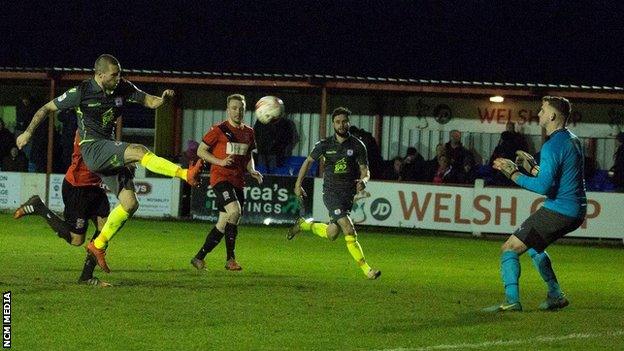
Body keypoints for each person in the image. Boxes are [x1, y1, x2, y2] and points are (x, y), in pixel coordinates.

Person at [15, 54, 203, 273]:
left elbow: (150, 101)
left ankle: (98, 245)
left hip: (107, 151)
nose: (118, 78)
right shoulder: (82, 92)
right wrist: (27, 133)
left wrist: (163, 100)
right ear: (100, 74)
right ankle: (185, 174)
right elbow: (46, 108)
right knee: (139, 151)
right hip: (93, 148)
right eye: (114, 75)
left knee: (130, 204)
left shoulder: (122, 87)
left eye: (120, 73)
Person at [484, 96, 586, 312]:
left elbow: (542, 188)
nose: (538, 114)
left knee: (509, 248)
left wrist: (513, 174)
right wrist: (532, 169)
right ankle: (555, 295)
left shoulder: (552, 145)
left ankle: (511, 301)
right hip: (575, 210)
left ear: (552, 115)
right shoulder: (572, 140)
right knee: (534, 248)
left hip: (559, 209)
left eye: (542, 110)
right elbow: (557, 180)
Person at [287, 107, 381, 280]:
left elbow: (365, 170)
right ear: (333, 124)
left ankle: (303, 224)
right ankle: (367, 270)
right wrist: (298, 184)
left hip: (347, 195)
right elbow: (308, 162)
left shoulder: (357, 145)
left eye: (344, 121)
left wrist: (364, 181)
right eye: (338, 122)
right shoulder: (324, 144)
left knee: (332, 233)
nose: (341, 125)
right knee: (348, 227)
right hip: (331, 192)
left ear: (349, 122)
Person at [13, 133, 112, 286]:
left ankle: (86, 277)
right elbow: (98, 157)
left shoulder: (102, 127)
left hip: (94, 187)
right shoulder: (86, 130)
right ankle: (39, 207)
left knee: (105, 229)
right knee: (76, 239)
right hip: (78, 188)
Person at [190, 94, 263, 271]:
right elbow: (201, 151)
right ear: (228, 109)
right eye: (234, 108)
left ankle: (199, 258)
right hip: (221, 179)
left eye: (241, 108)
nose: (238, 112)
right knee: (235, 211)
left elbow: (248, 156)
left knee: (224, 222)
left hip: (238, 181)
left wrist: (252, 170)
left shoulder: (249, 132)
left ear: (245, 110)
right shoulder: (218, 130)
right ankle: (230, 259)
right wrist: (220, 161)